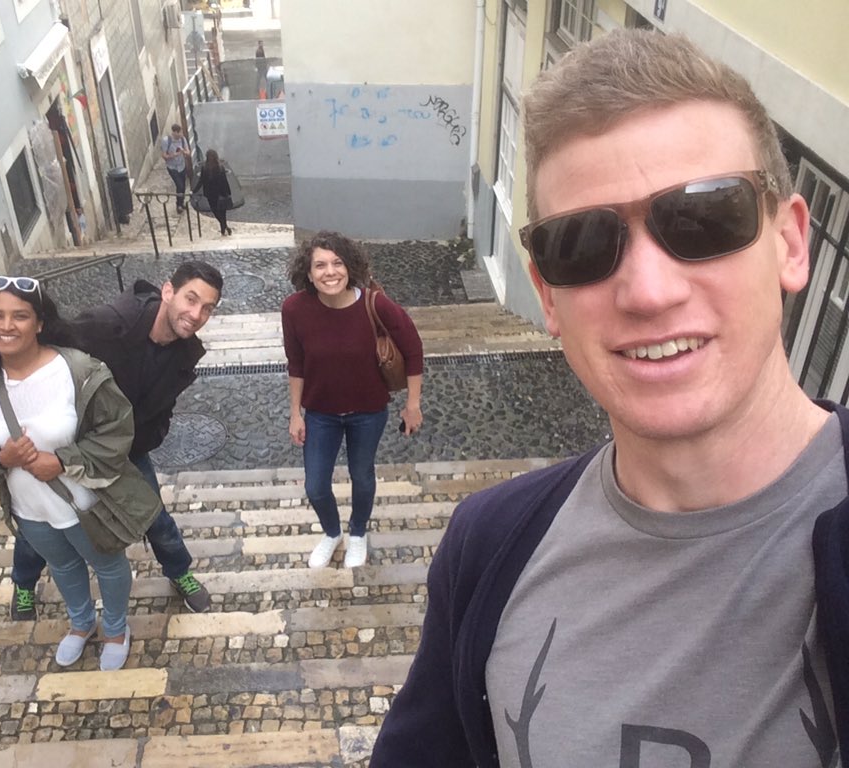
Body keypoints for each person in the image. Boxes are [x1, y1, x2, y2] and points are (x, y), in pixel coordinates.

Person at [370, 29, 849, 767]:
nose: (648, 292)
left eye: (702, 219)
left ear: (789, 243)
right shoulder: (490, 546)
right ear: (548, 296)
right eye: (583, 245)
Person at [0, 276, 162, 671]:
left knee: (108, 566)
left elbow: (116, 431)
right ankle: (82, 623)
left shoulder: (78, 371)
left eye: (19, 316)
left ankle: (116, 629)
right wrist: (0, 458)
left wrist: (62, 461)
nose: (6, 326)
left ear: (40, 323)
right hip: (29, 509)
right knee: (62, 566)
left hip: (84, 504)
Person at [9, 261, 223, 618]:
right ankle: (24, 584)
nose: (196, 314)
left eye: (207, 308)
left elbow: (164, 404)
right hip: (70, 443)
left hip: (125, 450)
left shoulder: (185, 352)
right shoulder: (106, 325)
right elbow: (47, 350)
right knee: (43, 518)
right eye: (191, 299)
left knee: (154, 516)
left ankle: (179, 573)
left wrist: (149, 436)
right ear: (167, 291)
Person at [281, 231, 424, 569]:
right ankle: (332, 533)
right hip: (320, 414)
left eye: (337, 263)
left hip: (368, 412)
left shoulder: (376, 305)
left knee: (362, 475)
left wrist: (413, 405)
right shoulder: (294, 309)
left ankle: (358, 533)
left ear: (350, 267)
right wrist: (295, 413)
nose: (330, 272)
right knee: (316, 485)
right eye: (320, 265)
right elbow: (296, 363)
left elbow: (414, 350)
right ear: (308, 272)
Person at [192, 149, 233, 237]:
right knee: (222, 212)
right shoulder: (220, 168)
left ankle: (224, 227)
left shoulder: (204, 168)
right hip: (221, 193)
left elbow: (201, 181)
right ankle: (224, 227)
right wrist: (228, 193)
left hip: (210, 194)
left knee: (215, 211)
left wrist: (194, 190)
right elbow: (224, 182)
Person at [160, 124, 190, 214]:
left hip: (182, 166)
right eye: (180, 132)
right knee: (179, 185)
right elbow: (164, 155)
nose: (182, 134)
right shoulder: (166, 141)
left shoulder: (183, 139)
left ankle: (181, 202)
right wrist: (173, 155)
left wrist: (183, 152)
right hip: (172, 167)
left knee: (183, 186)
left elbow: (188, 152)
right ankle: (178, 205)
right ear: (175, 132)